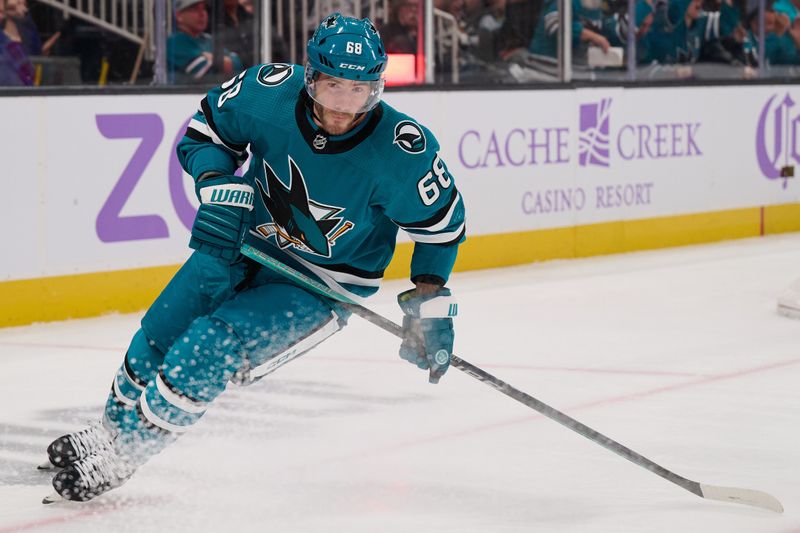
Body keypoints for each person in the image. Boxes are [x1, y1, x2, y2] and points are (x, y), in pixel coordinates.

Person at [41, 12, 466, 503]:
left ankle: (124, 456)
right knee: (158, 333)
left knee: (209, 347)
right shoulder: (267, 92)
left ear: (378, 88)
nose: (344, 109)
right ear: (310, 78)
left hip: (319, 284)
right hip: (240, 240)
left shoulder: (402, 153)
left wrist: (431, 301)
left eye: (360, 92)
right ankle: (110, 433)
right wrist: (216, 184)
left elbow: (441, 230)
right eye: (333, 88)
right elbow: (205, 136)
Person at [167, 0, 243, 83]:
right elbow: (205, 74)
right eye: (195, 10)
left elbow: (238, 63)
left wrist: (212, 60)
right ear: (178, 15)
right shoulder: (174, 42)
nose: (202, 14)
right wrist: (223, 62)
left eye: (204, 9)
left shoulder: (207, 39)